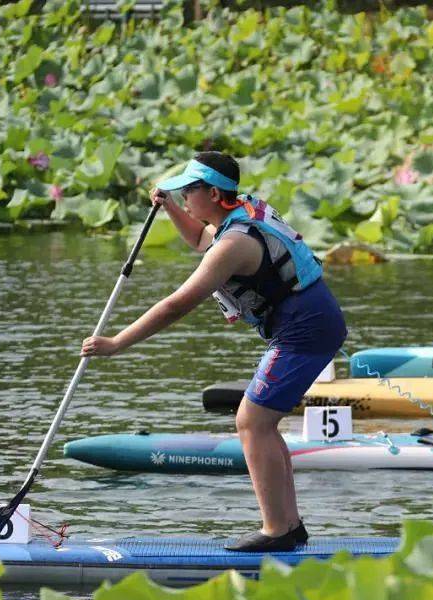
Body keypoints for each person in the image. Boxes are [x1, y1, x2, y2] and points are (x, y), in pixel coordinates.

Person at [81, 151, 347, 552]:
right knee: (260, 422)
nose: (185, 196)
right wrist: (171, 207)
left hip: (305, 329)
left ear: (213, 192)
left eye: (189, 191)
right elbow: (199, 239)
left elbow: (176, 305)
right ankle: (289, 525)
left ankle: (277, 530)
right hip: (309, 321)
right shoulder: (238, 214)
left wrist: (117, 343)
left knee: (252, 422)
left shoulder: (235, 244)